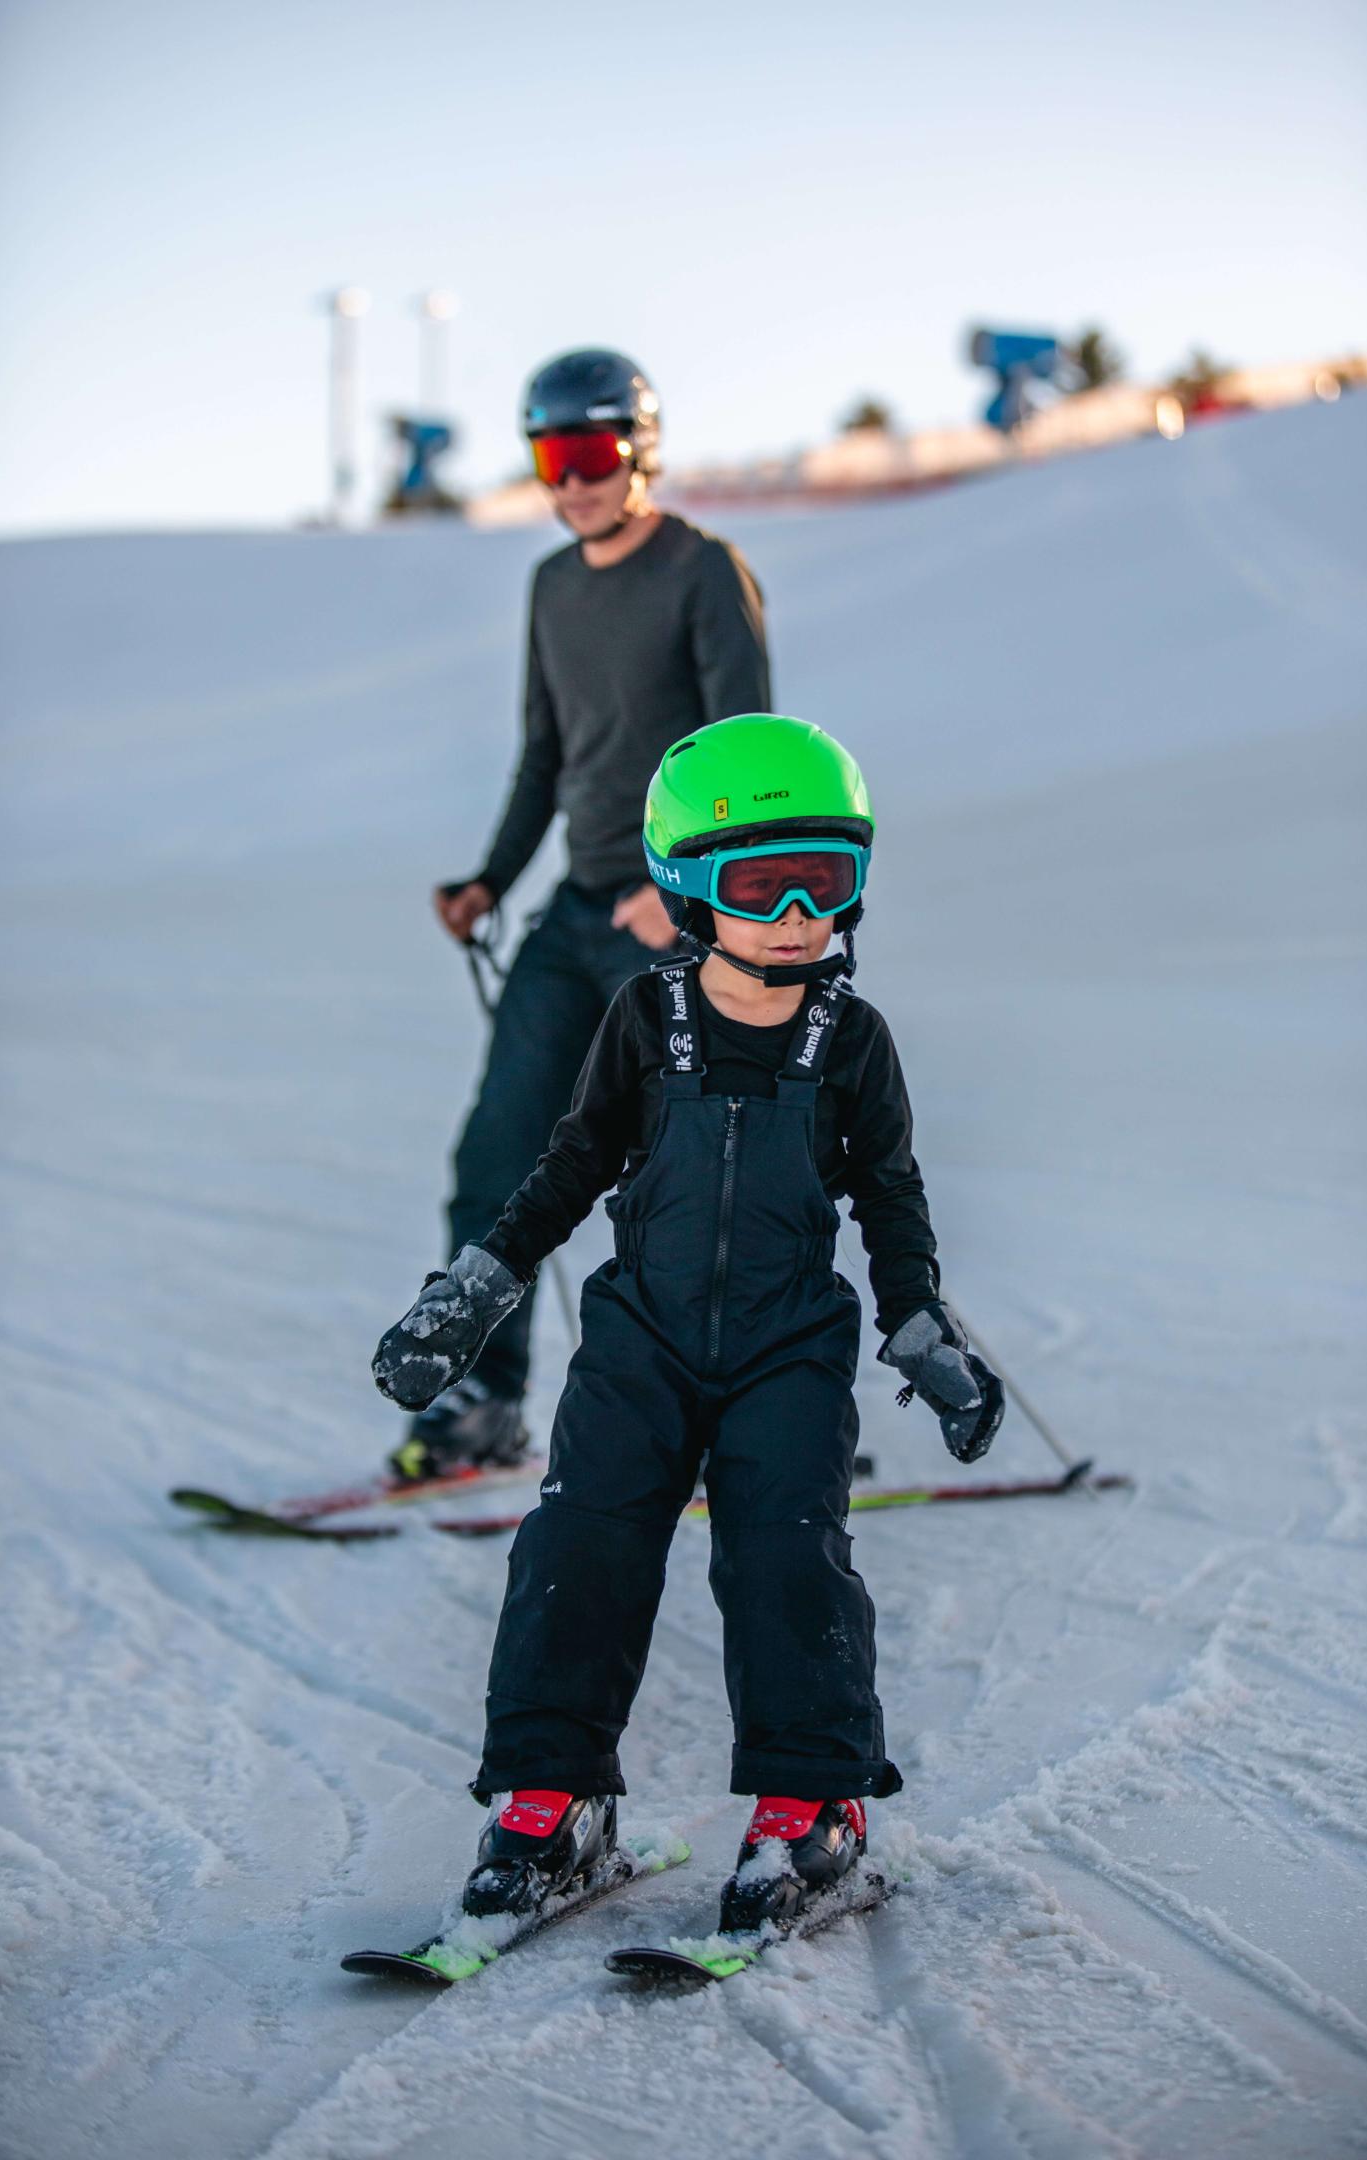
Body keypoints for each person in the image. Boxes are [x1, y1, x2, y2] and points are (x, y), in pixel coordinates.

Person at [373, 715, 1005, 1933]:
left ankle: (813, 1810)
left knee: (786, 1558)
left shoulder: (852, 1043)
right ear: (687, 888)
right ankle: (551, 1803)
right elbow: (567, 1169)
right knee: (578, 1549)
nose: (797, 911)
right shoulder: (645, 1020)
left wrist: (919, 1320)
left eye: (829, 877)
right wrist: (477, 1288)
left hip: (790, 1349)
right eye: (761, 881)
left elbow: (890, 1193)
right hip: (639, 1344)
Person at [396, 347, 773, 1484]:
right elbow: (547, 754)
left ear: (637, 450)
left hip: (679, 927)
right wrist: (489, 882)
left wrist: (680, 897)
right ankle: (482, 1404)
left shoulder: (705, 573)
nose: (570, 482)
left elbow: (747, 763)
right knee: (498, 1155)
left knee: (702, 1179)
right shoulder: (552, 587)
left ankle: (758, 1426)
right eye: (550, 459)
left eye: (590, 454)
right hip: (572, 923)